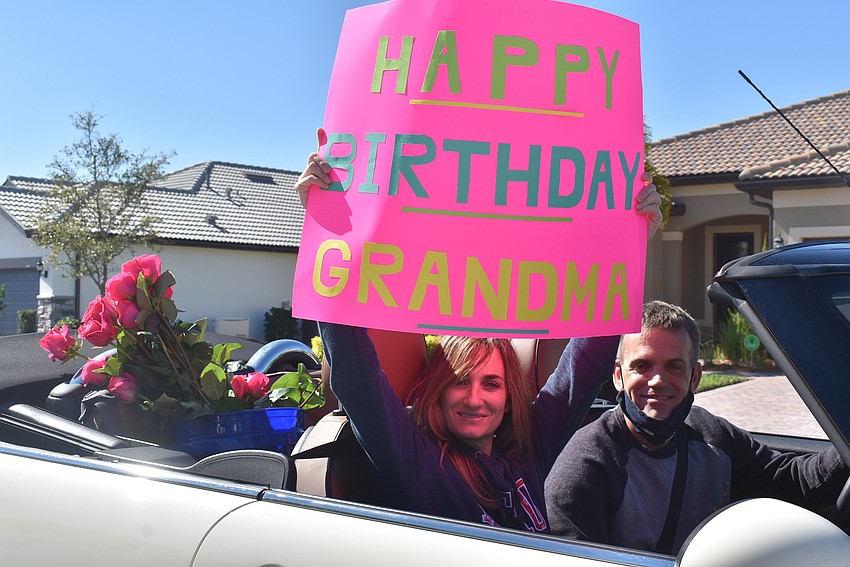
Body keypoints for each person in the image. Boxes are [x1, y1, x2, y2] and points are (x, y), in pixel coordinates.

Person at [293, 128, 663, 531]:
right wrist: (326, 227)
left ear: (509, 397)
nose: (475, 398)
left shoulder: (530, 451)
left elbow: (587, 362)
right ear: (436, 389)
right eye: (460, 381)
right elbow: (354, 373)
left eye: (491, 383)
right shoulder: (416, 462)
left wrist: (631, 239)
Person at [544, 300, 849, 553]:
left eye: (673, 366)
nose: (657, 380)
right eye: (641, 365)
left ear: (695, 377)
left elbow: (795, 481)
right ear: (618, 377)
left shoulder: (709, 433)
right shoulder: (585, 467)